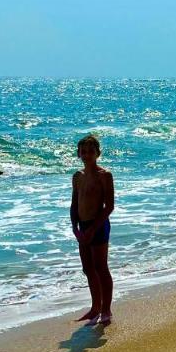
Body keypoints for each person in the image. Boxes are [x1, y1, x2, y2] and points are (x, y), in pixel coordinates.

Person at [70, 134, 115, 327]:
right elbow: (74, 204)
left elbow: (109, 206)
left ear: (98, 153)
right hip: (83, 227)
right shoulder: (77, 176)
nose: (87, 155)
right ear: (79, 154)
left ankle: (106, 309)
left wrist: (93, 229)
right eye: (83, 152)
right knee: (88, 269)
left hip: (99, 226)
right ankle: (95, 308)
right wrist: (75, 228)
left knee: (101, 268)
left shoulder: (104, 175)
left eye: (90, 151)